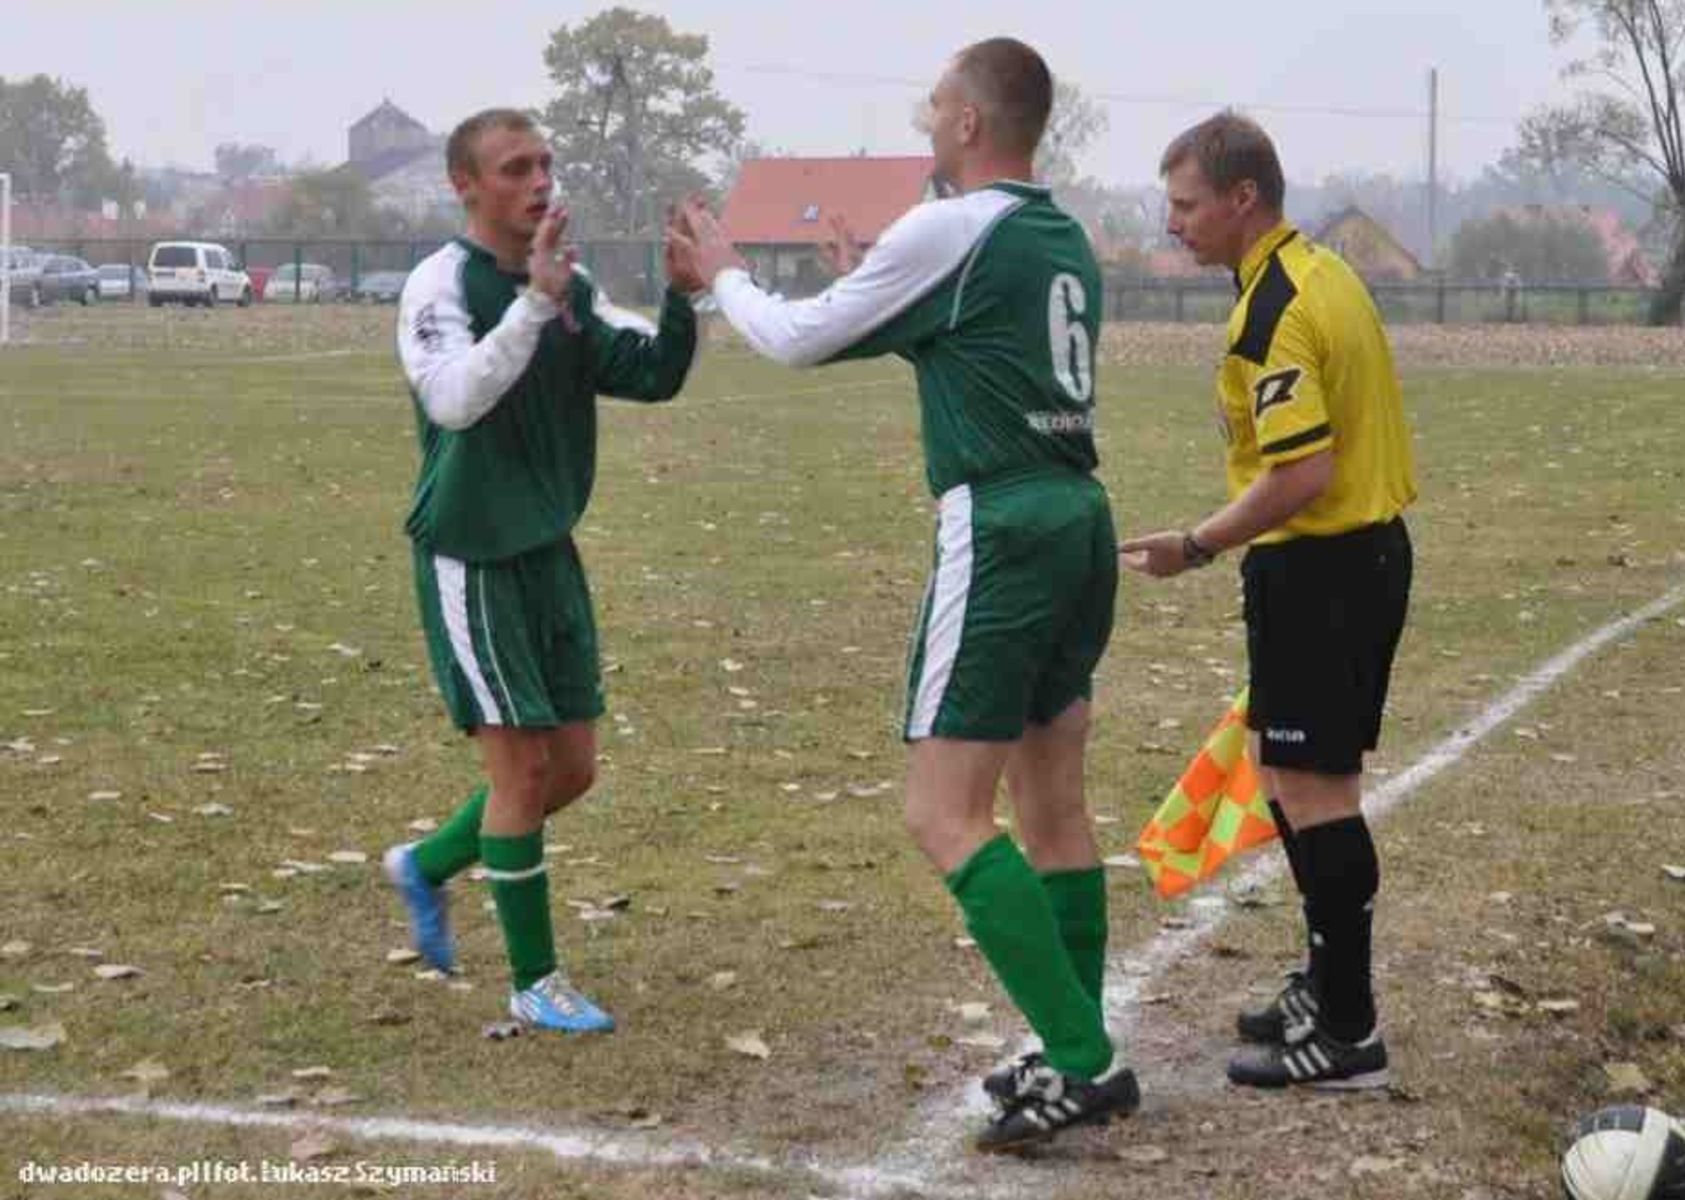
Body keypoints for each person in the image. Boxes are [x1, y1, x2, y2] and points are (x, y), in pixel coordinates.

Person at [667, 37, 1138, 1152]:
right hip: (1078, 518)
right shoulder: (1061, 234)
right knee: (1053, 805)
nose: (926, 123)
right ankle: (1075, 1043)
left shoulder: (946, 227)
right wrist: (860, 278)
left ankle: (1082, 1059)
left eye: (936, 107)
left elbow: (790, 341)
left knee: (941, 814)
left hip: (1005, 528)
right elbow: (975, 348)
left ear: (972, 122)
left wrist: (723, 271)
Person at [383, 108, 701, 1034]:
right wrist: (532, 301)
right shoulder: (439, 283)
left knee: (572, 769)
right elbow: (453, 400)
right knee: (520, 768)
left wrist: (686, 298)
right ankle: (534, 982)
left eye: (546, 165)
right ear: (465, 185)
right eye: (516, 168)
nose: (540, 182)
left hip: (546, 550)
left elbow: (649, 374)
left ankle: (426, 863)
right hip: (472, 550)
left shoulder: (571, 286)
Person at [1120, 111, 1416, 1090]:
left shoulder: (1272, 310)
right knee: (1287, 774)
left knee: (1313, 789)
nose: (1174, 224)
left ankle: (1347, 1031)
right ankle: (1327, 981)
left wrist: (1195, 544)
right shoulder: (1317, 271)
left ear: (1242, 199)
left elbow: (1301, 472)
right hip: (1350, 561)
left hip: (1324, 568)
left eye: (1186, 204)